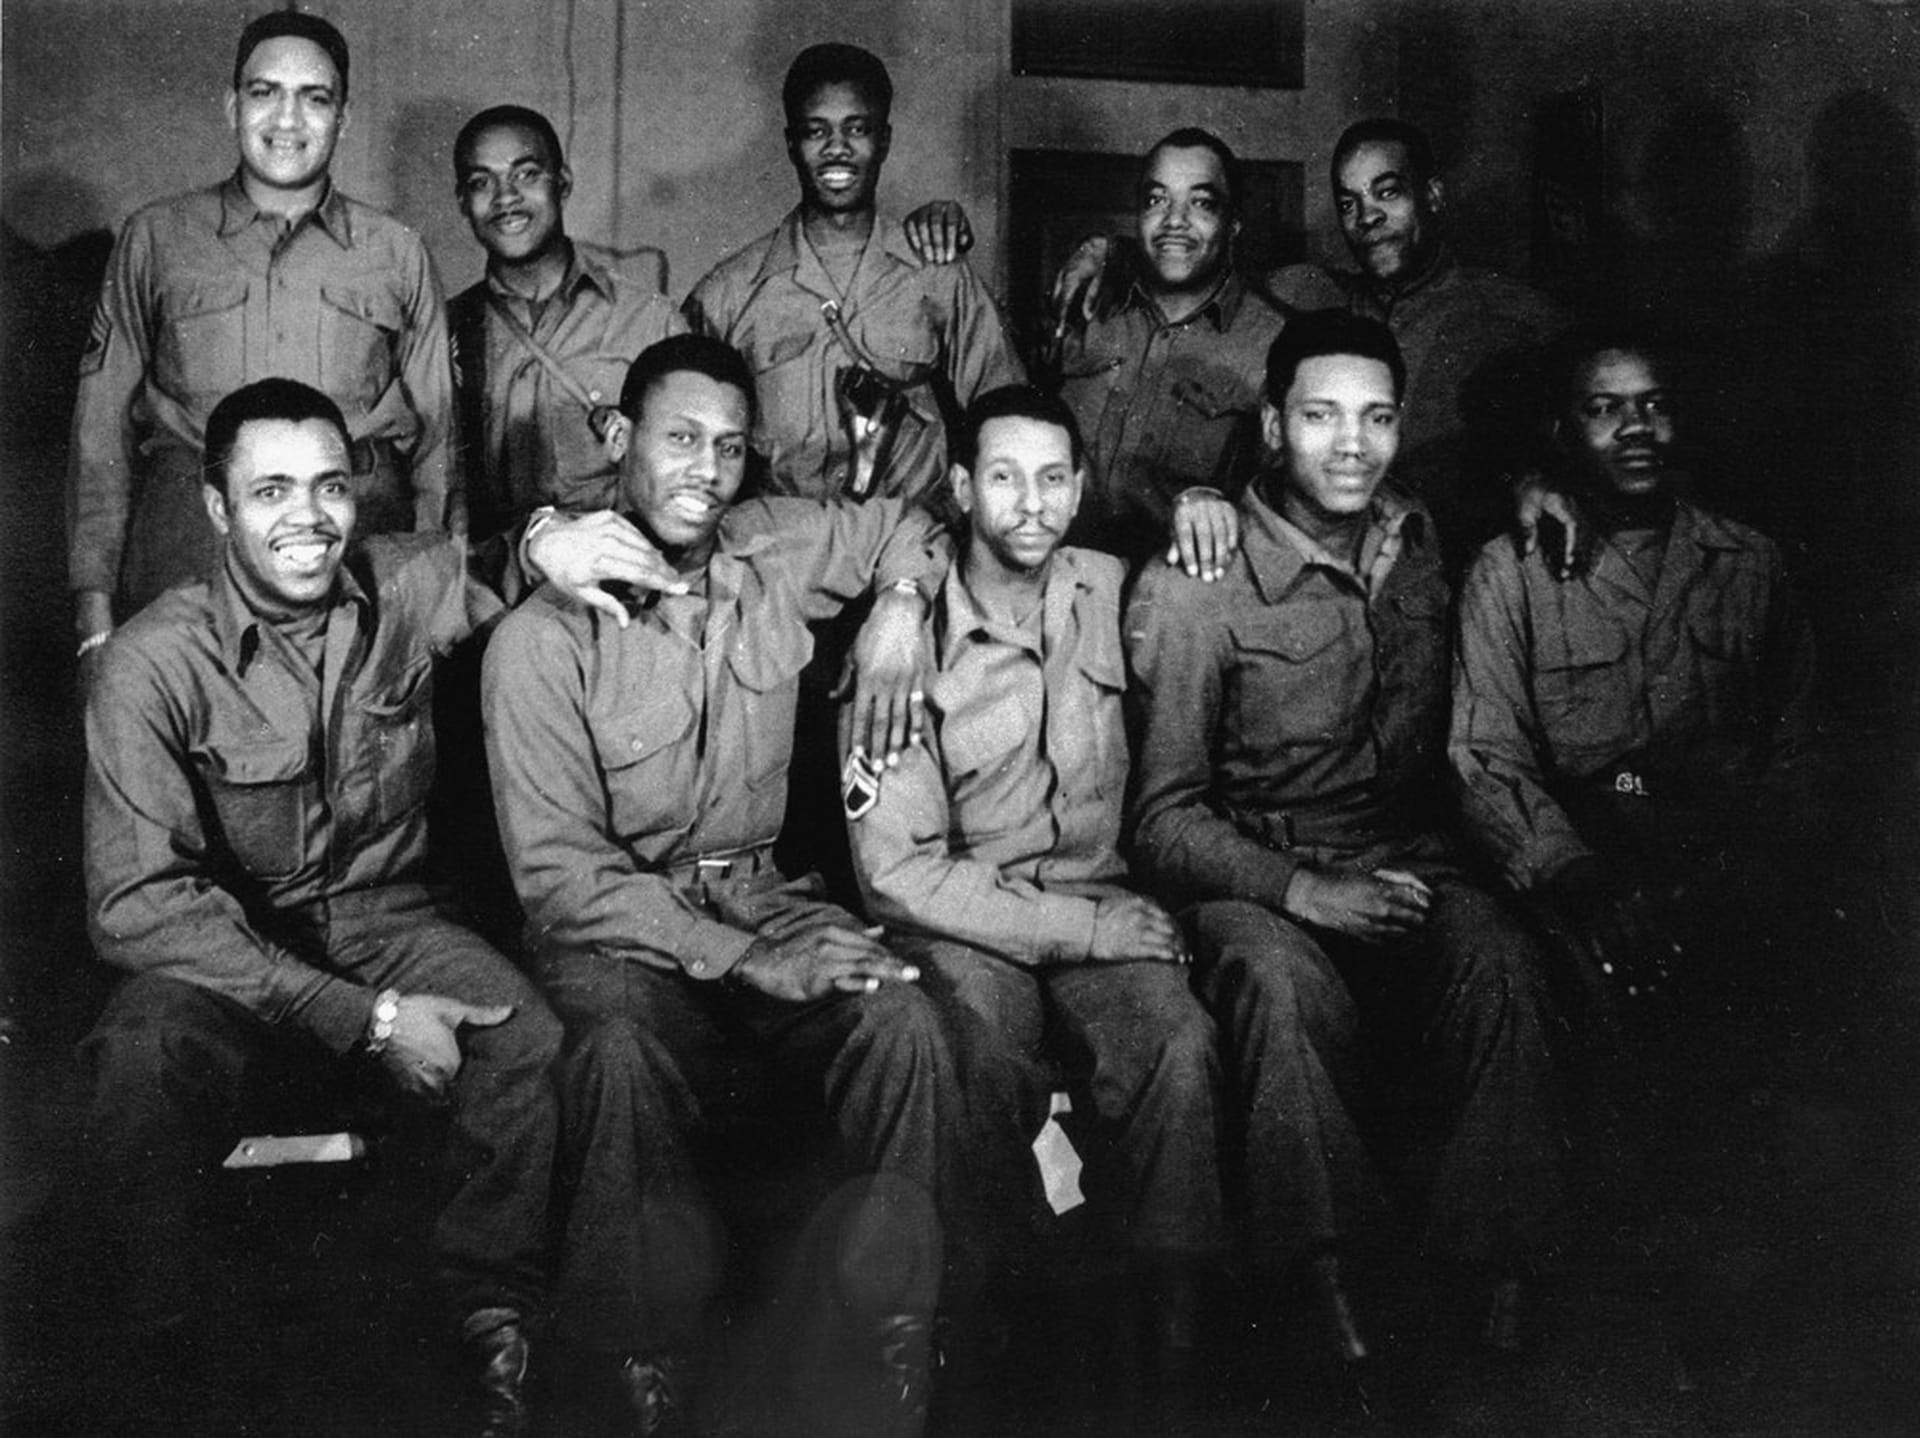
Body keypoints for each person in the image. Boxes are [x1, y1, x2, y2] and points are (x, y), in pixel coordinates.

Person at [75, 377, 662, 1437]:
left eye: (330, 485)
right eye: (271, 491)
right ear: (215, 508)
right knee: (143, 1054)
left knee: (523, 1039)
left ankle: (495, 1338)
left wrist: (551, 542)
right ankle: (162, 1373)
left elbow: (497, 557)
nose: (307, 516)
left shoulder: (397, 584)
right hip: (222, 951)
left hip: (388, 920)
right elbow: (136, 905)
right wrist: (369, 1020)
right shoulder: (150, 661)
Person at [482, 334, 958, 1437]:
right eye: (681, 438)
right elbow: (561, 879)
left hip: (761, 891)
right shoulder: (540, 637)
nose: (707, 467)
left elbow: (912, 523)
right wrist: (754, 960)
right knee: (615, 1052)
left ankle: (895, 1350)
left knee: (907, 1024)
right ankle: (642, 1368)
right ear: (618, 440)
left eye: (732, 447)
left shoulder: (772, 545)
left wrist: (897, 607)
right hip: (617, 927)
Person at [1125, 312, 1565, 1384]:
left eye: (1375, 417)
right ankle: (1325, 1277)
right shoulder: (1194, 580)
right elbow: (1162, 819)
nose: (1351, 443)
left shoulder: (1419, 536)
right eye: (1321, 416)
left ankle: (1491, 1264)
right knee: (1277, 989)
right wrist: (1302, 889)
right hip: (1257, 869)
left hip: (1406, 853)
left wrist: (1539, 490)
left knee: (1504, 962)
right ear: (1272, 426)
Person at [845, 384, 1224, 1405]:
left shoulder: (1113, 589)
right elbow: (899, 871)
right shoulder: (899, 644)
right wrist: (1088, 926)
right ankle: (980, 1337)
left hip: (1102, 893)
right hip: (968, 917)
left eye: (1055, 478)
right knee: (972, 1054)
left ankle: (1172, 1337)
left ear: (1082, 486)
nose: (1031, 504)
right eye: (1003, 477)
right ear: (961, 487)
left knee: (1177, 1045)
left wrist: (1198, 499)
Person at [1450, 329, 1817, 1025]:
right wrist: (1581, 880)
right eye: (1604, 409)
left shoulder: (1749, 564)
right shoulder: (1510, 573)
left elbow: (1797, 750)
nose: (1636, 429)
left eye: (1654, 405)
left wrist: (1740, 875)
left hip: (1727, 873)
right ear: (1561, 432)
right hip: (1574, 873)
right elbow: (1486, 760)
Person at [68, 11, 456, 661]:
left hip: (352, 570)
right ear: (231, 106)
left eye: (315, 97)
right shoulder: (156, 240)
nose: (287, 119)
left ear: (344, 118)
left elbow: (440, 448)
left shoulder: (397, 253)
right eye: (264, 91)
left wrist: (436, 604)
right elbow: (100, 431)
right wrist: (94, 613)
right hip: (185, 565)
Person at [1051, 117, 1567, 571]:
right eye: (1349, 203)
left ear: (1432, 195)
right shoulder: (1306, 295)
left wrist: (1541, 476)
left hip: (1457, 564)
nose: (1367, 217)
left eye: (1387, 192)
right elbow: (1193, 257)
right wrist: (1111, 249)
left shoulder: (1514, 313)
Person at [683, 42, 1024, 503]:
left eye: (857, 129)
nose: (837, 149)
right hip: (779, 552)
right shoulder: (728, 294)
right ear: (791, 145)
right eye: (816, 131)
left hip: (911, 546)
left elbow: (1010, 422)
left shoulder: (939, 276)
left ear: (883, 140)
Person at [1050, 128, 1287, 579]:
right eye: (1157, 200)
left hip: (1179, 597)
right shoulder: (1088, 303)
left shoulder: (1274, 342)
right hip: (1057, 581)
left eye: (1201, 203)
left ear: (1234, 222)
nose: (1174, 220)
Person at [447, 104, 685, 542]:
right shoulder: (443, 333)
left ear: (563, 183)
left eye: (526, 174)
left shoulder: (651, 321)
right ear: (463, 201)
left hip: (619, 586)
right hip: (490, 593)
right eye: (482, 182)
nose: (505, 198)